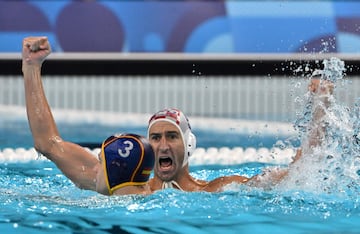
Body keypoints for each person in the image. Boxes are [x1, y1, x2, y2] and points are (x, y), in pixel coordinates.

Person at [146, 78, 334, 192]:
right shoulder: (135, 192)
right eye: (155, 138)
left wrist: (321, 105)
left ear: (189, 144)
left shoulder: (216, 189)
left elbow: (300, 172)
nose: (163, 145)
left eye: (172, 136)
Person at [22, 36, 155, 195]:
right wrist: (32, 67)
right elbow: (48, 144)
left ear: (114, 174)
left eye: (101, 162)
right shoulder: (123, 186)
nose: (95, 169)